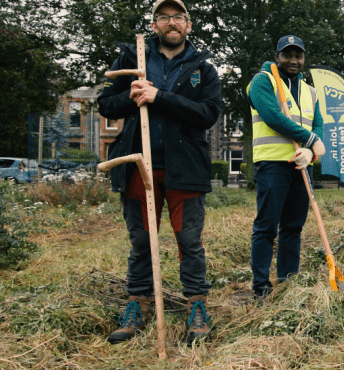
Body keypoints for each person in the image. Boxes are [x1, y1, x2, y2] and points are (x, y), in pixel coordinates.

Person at [98, 0, 222, 345]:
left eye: (177, 17)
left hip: (186, 170)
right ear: (154, 25)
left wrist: (159, 96)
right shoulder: (132, 59)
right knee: (141, 241)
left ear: (188, 24)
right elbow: (106, 104)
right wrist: (131, 97)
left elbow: (208, 114)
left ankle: (196, 308)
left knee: (189, 241)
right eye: (164, 17)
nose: (171, 23)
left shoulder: (203, 69)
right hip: (139, 165)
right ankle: (138, 306)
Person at [246, 35, 326, 299]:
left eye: (298, 55)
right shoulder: (262, 81)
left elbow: (318, 124)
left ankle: (288, 281)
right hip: (272, 164)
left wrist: (308, 150)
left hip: (300, 164)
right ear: (277, 56)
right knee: (267, 226)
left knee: (293, 226)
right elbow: (272, 117)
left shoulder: (310, 90)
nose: (293, 60)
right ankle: (261, 286)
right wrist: (312, 140)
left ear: (304, 58)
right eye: (287, 55)